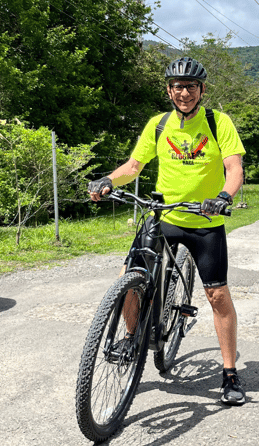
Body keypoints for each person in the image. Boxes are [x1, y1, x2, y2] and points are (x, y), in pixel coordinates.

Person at [88, 57, 247, 405]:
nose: (184, 92)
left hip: (205, 221)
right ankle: (132, 339)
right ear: (169, 91)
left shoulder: (218, 123)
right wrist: (106, 180)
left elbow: (234, 168)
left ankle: (230, 372)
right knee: (131, 278)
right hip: (163, 215)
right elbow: (133, 166)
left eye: (191, 86)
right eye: (178, 86)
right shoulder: (158, 125)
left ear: (201, 90)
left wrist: (223, 196)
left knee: (217, 296)